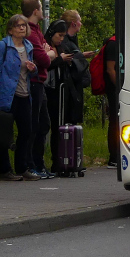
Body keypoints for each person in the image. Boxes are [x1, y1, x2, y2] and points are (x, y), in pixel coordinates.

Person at [0, 14, 39, 181]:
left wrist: (33, 69)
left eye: (24, 26)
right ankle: (5, 170)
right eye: (18, 25)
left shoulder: (28, 46)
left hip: (24, 93)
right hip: (7, 95)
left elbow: (33, 72)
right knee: (5, 132)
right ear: (10, 29)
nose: (21, 28)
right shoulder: (3, 46)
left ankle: (22, 167)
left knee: (26, 131)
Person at [44, 19, 89, 163]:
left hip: (61, 90)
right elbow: (45, 65)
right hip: (48, 89)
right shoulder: (45, 46)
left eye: (63, 36)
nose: (61, 39)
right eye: (59, 35)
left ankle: (61, 158)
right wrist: (60, 60)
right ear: (52, 34)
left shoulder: (61, 47)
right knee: (46, 125)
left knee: (60, 125)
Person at [22, 0, 56, 178]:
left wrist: (47, 51)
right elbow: (44, 57)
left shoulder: (36, 31)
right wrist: (48, 53)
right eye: (41, 8)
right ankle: (32, 163)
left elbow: (47, 51)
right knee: (35, 124)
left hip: (40, 82)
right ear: (35, 11)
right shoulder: (31, 32)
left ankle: (39, 163)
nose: (43, 11)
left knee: (43, 124)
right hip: (33, 83)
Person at [102, 32, 120, 168]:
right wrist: (119, 87)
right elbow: (110, 69)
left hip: (118, 88)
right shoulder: (113, 44)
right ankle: (113, 157)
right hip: (114, 89)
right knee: (115, 121)